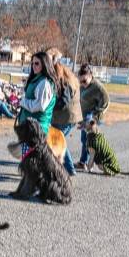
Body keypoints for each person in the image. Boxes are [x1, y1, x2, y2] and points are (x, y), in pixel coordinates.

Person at [47, 48, 82, 176]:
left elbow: (64, 100)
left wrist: (50, 106)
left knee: (58, 138)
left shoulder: (61, 77)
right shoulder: (65, 74)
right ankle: (67, 168)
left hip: (67, 117)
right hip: (68, 116)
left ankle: (69, 169)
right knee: (59, 139)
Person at [76, 63, 110, 170]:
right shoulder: (82, 86)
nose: (82, 84)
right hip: (84, 116)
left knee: (89, 140)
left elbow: (106, 102)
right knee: (84, 140)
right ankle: (84, 162)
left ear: (91, 75)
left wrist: (94, 116)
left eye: (84, 81)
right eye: (80, 81)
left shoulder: (98, 87)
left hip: (93, 118)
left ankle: (93, 162)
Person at [18, 51, 59, 134]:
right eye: (32, 63)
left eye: (37, 63)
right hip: (30, 127)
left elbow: (40, 105)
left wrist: (22, 101)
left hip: (37, 129)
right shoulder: (38, 79)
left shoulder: (45, 83)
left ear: (44, 64)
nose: (33, 66)